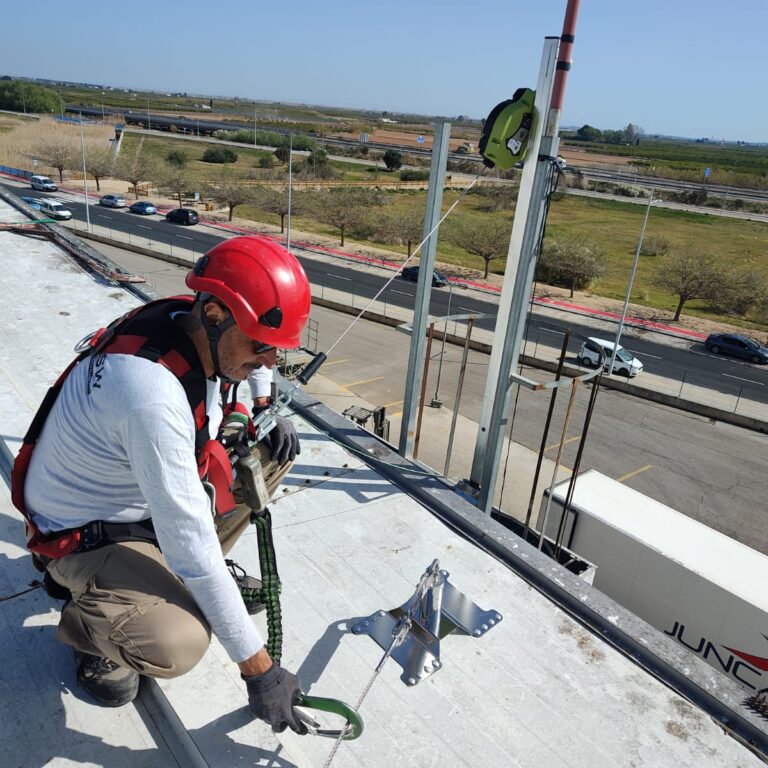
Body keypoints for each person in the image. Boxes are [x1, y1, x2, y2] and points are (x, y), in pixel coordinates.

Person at [12, 236, 311, 733]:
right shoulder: (150, 396)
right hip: (83, 533)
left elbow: (251, 360)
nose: (269, 363)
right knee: (178, 640)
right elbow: (189, 541)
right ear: (215, 314)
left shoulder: (184, 319)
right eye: (261, 348)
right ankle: (94, 628)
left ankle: (165, 581)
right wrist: (259, 672)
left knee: (268, 457)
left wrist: (262, 403)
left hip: (135, 501)